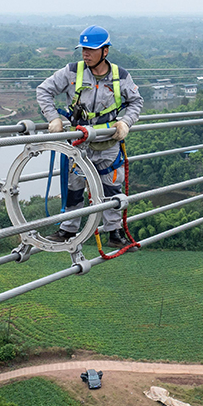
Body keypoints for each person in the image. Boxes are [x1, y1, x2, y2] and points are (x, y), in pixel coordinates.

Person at [37, 25, 144, 249]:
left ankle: (114, 233)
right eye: (83, 49)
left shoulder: (120, 76)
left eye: (91, 49)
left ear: (105, 51)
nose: (86, 54)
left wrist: (125, 121)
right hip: (79, 141)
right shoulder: (72, 71)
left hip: (108, 142)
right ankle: (68, 230)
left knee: (111, 187)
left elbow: (136, 102)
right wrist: (53, 117)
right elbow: (44, 90)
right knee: (74, 187)